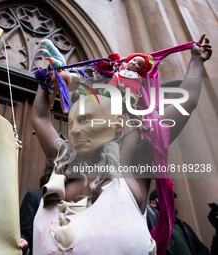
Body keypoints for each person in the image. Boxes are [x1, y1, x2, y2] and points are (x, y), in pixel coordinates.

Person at [31, 34, 211, 254]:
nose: (76, 129)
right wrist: (49, 80)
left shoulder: (132, 160)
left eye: (87, 119)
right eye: (73, 122)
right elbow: (40, 118)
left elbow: (187, 101)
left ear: (116, 124)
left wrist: (196, 60)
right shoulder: (63, 159)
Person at [149, 189, 210, 255]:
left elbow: (202, 249)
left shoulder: (183, 225)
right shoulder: (153, 228)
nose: (171, 201)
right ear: (153, 203)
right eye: (166, 198)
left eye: (171, 198)